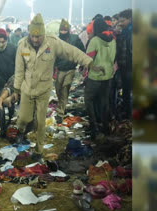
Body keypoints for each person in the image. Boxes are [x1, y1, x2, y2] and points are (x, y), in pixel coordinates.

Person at [14, 13, 98, 155]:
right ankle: (21, 131)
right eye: (32, 36)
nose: (35, 40)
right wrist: (16, 89)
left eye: (38, 36)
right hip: (27, 89)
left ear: (43, 34)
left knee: (41, 123)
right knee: (23, 118)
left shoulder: (52, 43)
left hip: (43, 89)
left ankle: (39, 150)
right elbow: (19, 69)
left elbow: (71, 52)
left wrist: (88, 62)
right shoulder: (22, 45)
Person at [85, 17, 116, 140]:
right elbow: (114, 57)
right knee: (104, 102)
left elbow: (87, 58)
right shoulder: (113, 40)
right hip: (108, 75)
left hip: (95, 76)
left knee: (88, 100)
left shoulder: (95, 40)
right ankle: (106, 127)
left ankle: (94, 128)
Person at [54, 19, 86, 123]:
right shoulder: (56, 40)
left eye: (65, 30)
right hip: (60, 69)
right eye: (62, 30)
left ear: (68, 30)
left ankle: (60, 113)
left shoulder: (75, 39)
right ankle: (61, 105)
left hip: (71, 69)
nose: (63, 32)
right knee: (58, 89)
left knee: (65, 88)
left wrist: (81, 62)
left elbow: (82, 50)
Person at [117, 9, 132, 120]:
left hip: (130, 68)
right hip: (125, 68)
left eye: (122, 20)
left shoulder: (131, 32)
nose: (120, 23)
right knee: (126, 92)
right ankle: (127, 113)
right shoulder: (125, 32)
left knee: (129, 93)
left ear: (130, 19)